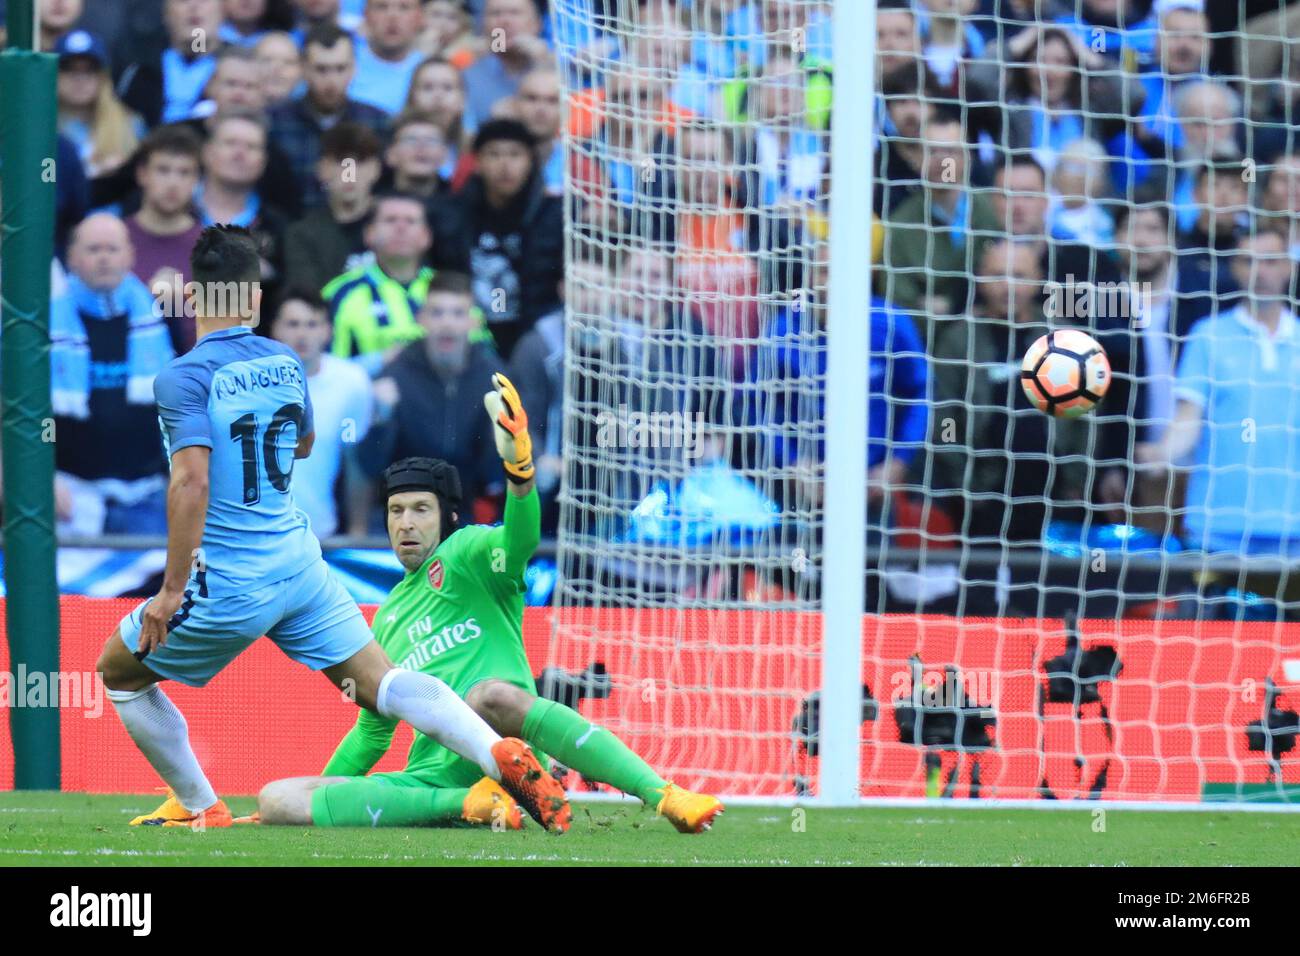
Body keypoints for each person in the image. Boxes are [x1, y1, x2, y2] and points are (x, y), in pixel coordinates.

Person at [94, 225, 571, 832]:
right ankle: (495, 752)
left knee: (120, 671)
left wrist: (169, 590)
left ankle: (201, 806)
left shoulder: (182, 378)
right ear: (254, 301)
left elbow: (192, 483)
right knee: (381, 683)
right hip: (300, 564)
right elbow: (305, 441)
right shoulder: (286, 360)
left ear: (191, 298)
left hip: (231, 577)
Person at [254, 388, 724, 833]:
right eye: (396, 511)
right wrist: (328, 787)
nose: (406, 523)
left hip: (505, 745)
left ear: (449, 516)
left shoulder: (468, 552)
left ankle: (664, 795)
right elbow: (373, 733)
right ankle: (471, 804)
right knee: (277, 798)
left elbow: (519, 541)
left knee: (484, 698)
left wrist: (520, 473)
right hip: (432, 777)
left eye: (420, 508)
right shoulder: (387, 615)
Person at [1137, 226, 1300, 557]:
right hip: (1218, 525)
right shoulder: (1207, 336)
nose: (1260, 272)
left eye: (1270, 261)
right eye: (1249, 262)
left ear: (1288, 267)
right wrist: (1162, 452)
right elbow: (1188, 416)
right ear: (1236, 269)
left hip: (1293, 527)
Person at [51, 214, 175, 537]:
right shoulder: (44, 322)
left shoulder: (161, 317)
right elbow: (18, 412)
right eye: (93, 249)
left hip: (147, 498)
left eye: (112, 248)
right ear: (72, 258)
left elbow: (181, 406)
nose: (104, 257)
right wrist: (38, 480)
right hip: (68, 500)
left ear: (130, 255)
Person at [356, 271, 502, 503]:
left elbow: (494, 475)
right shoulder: (396, 374)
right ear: (420, 318)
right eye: (437, 313)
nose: (447, 323)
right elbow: (369, 467)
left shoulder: (491, 376)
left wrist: (502, 437)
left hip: (463, 509)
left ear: (473, 322)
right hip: (404, 507)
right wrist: (380, 420)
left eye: (457, 313)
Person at [429, 119, 563, 360]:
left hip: (534, 339)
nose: (505, 165)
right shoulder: (450, 214)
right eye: (494, 154)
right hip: (466, 336)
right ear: (477, 163)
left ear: (530, 162)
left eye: (514, 155)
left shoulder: (554, 216)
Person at [270, 290, 374, 537]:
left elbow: (354, 460)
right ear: (275, 329)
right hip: (258, 536)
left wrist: (357, 532)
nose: (302, 334)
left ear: (328, 331)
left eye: (312, 324)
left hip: (320, 532)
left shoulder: (352, 383)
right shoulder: (249, 381)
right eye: (293, 324)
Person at [268, 22, 390, 211]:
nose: (332, 81)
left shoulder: (378, 122)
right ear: (304, 69)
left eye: (340, 68)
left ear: (354, 69)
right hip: (291, 227)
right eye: (321, 69)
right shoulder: (273, 122)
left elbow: (385, 189)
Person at [323, 192, 435, 373]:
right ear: (369, 234)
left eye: (411, 221)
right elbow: (326, 371)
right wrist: (379, 362)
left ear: (426, 237)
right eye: (390, 220)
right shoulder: (339, 293)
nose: (401, 228)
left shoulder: (449, 290)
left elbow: (481, 357)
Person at [125, 126, 206, 354]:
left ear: (196, 180)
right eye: (163, 170)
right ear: (142, 174)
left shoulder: (217, 248)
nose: (173, 182)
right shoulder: (114, 241)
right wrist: (148, 299)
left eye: (184, 172)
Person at [282, 121, 382, 295]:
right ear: (321, 169)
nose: (349, 174)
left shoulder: (399, 223)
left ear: (376, 169)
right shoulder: (302, 234)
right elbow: (308, 298)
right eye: (340, 162)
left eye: (359, 162)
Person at [460, 0, 553, 124]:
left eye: (515, 13)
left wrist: (545, 63)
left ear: (537, 24)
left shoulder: (563, 73)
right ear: (483, 24)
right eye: (496, 13)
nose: (505, 21)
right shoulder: (465, 74)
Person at [348, 0, 427, 115]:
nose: (392, 16)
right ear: (366, 15)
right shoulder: (341, 65)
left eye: (404, 7)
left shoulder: (432, 71)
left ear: (420, 17)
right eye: (382, 7)